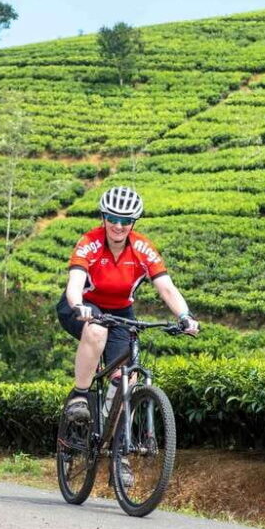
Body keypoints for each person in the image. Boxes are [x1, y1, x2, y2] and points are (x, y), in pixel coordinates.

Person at [57, 186, 199, 484]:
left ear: (134, 222)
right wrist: (80, 306)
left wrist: (184, 316)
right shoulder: (90, 243)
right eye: (112, 218)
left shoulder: (143, 249)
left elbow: (166, 288)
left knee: (128, 380)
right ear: (103, 217)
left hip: (121, 313)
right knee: (95, 331)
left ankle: (118, 452)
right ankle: (80, 397)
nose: (118, 226)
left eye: (126, 220)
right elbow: (74, 283)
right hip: (83, 307)